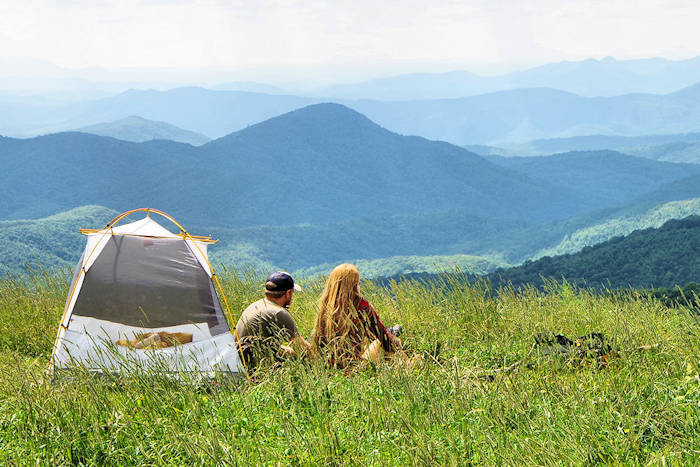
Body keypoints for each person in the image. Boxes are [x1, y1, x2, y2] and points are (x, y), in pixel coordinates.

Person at [311, 263, 404, 368]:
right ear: (354, 286)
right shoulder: (362, 305)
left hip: (328, 369)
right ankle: (406, 369)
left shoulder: (325, 307)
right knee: (381, 343)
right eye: (359, 284)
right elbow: (384, 337)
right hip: (355, 370)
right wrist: (397, 343)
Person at [236, 271, 311, 370]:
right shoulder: (278, 312)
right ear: (288, 293)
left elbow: (264, 345)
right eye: (292, 293)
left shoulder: (255, 305)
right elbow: (302, 348)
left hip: (239, 364)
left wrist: (290, 351)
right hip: (257, 368)